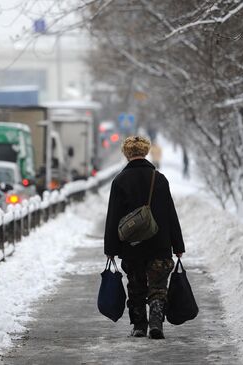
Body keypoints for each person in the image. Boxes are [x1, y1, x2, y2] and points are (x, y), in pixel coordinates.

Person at [104, 136, 185, 339]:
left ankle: (139, 326)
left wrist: (111, 248)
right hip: (160, 244)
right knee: (158, 287)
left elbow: (113, 216)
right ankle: (156, 324)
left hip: (132, 247)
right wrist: (178, 244)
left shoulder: (120, 181)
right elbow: (170, 214)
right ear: (146, 152)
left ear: (126, 153)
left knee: (136, 286)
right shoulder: (159, 179)